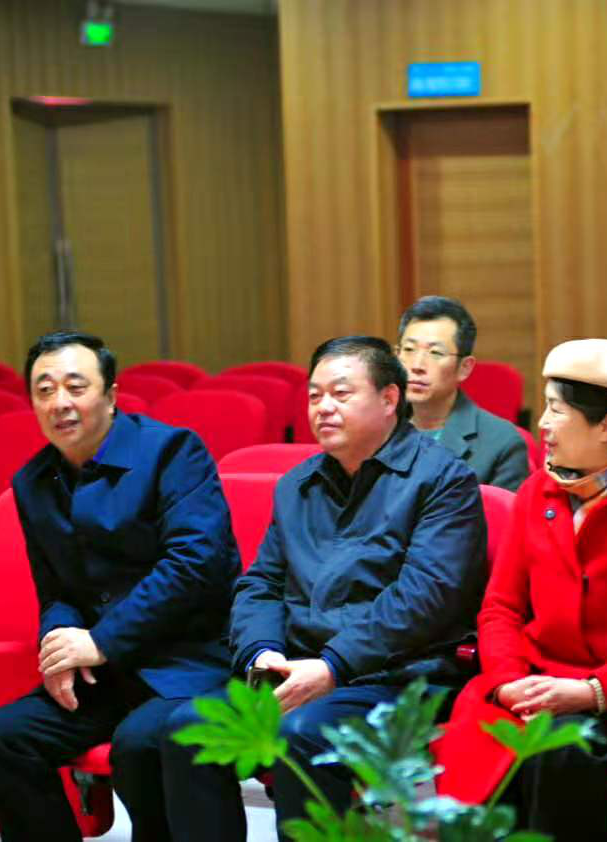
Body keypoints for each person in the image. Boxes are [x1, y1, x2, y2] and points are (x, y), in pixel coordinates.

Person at [164, 335, 488, 839]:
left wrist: (334, 664)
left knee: (302, 735)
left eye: (340, 393)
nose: (323, 408)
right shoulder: (298, 484)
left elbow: (424, 598)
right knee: (186, 728)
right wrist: (261, 651)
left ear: (389, 399)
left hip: (399, 676)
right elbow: (262, 582)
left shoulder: (443, 480)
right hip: (299, 667)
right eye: (315, 396)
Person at [0, 331, 243, 842]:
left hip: (189, 660)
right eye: (44, 390)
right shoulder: (33, 482)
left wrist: (100, 640)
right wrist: (59, 647)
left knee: (140, 742)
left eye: (76, 387)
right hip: (107, 673)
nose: (60, 402)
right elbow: (56, 589)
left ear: (111, 395)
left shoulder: (171, 451)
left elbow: (194, 565)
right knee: (2, 736)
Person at [435, 338, 607, 842]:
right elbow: (500, 608)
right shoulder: (534, 492)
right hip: (528, 683)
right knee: (485, 755)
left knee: (562, 753)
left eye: (557, 410)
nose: (542, 423)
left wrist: (592, 692)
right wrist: (507, 681)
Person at [396, 295, 530, 491]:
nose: (417, 365)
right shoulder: (376, 428)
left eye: (435, 353)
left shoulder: (502, 444)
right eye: (409, 349)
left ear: (464, 368)